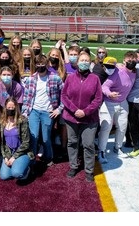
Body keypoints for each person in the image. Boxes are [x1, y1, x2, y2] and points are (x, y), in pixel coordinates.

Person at [62, 53, 103, 182]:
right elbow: (64, 96)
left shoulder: (95, 79)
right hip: (71, 117)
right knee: (72, 142)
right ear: (77, 62)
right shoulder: (70, 78)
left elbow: (98, 99)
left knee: (88, 144)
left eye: (86, 60)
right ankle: (73, 166)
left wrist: (85, 111)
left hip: (89, 119)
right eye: (82, 60)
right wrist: (75, 110)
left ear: (90, 62)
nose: (84, 62)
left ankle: (89, 170)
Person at [21, 55, 63, 163]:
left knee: (46, 138)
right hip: (34, 111)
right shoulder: (30, 79)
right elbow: (26, 97)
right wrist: (25, 112)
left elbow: (65, 94)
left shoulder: (55, 78)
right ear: (35, 65)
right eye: (38, 64)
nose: (40, 66)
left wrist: (59, 109)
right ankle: (32, 159)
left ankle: (48, 158)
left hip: (48, 112)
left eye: (43, 64)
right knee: (33, 137)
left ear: (47, 64)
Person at [96, 52, 137, 164]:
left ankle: (117, 147)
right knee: (106, 127)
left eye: (133, 60)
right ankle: (101, 151)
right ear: (124, 61)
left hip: (123, 102)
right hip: (109, 102)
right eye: (128, 60)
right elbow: (104, 86)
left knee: (122, 126)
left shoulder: (135, 72)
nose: (131, 62)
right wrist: (109, 94)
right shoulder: (117, 72)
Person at [0, 98, 32, 181]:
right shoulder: (2, 121)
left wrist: (13, 158)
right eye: (8, 108)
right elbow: (2, 143)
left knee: (17, 173)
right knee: (4, 176)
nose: (10, 109)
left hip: (22, 152)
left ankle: (27, 168)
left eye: (13, 108)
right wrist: (6, 157)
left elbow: (26, 143)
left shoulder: (22, 120)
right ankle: (17, 166)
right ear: (5, 108)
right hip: (9, 152)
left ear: (16, 108)